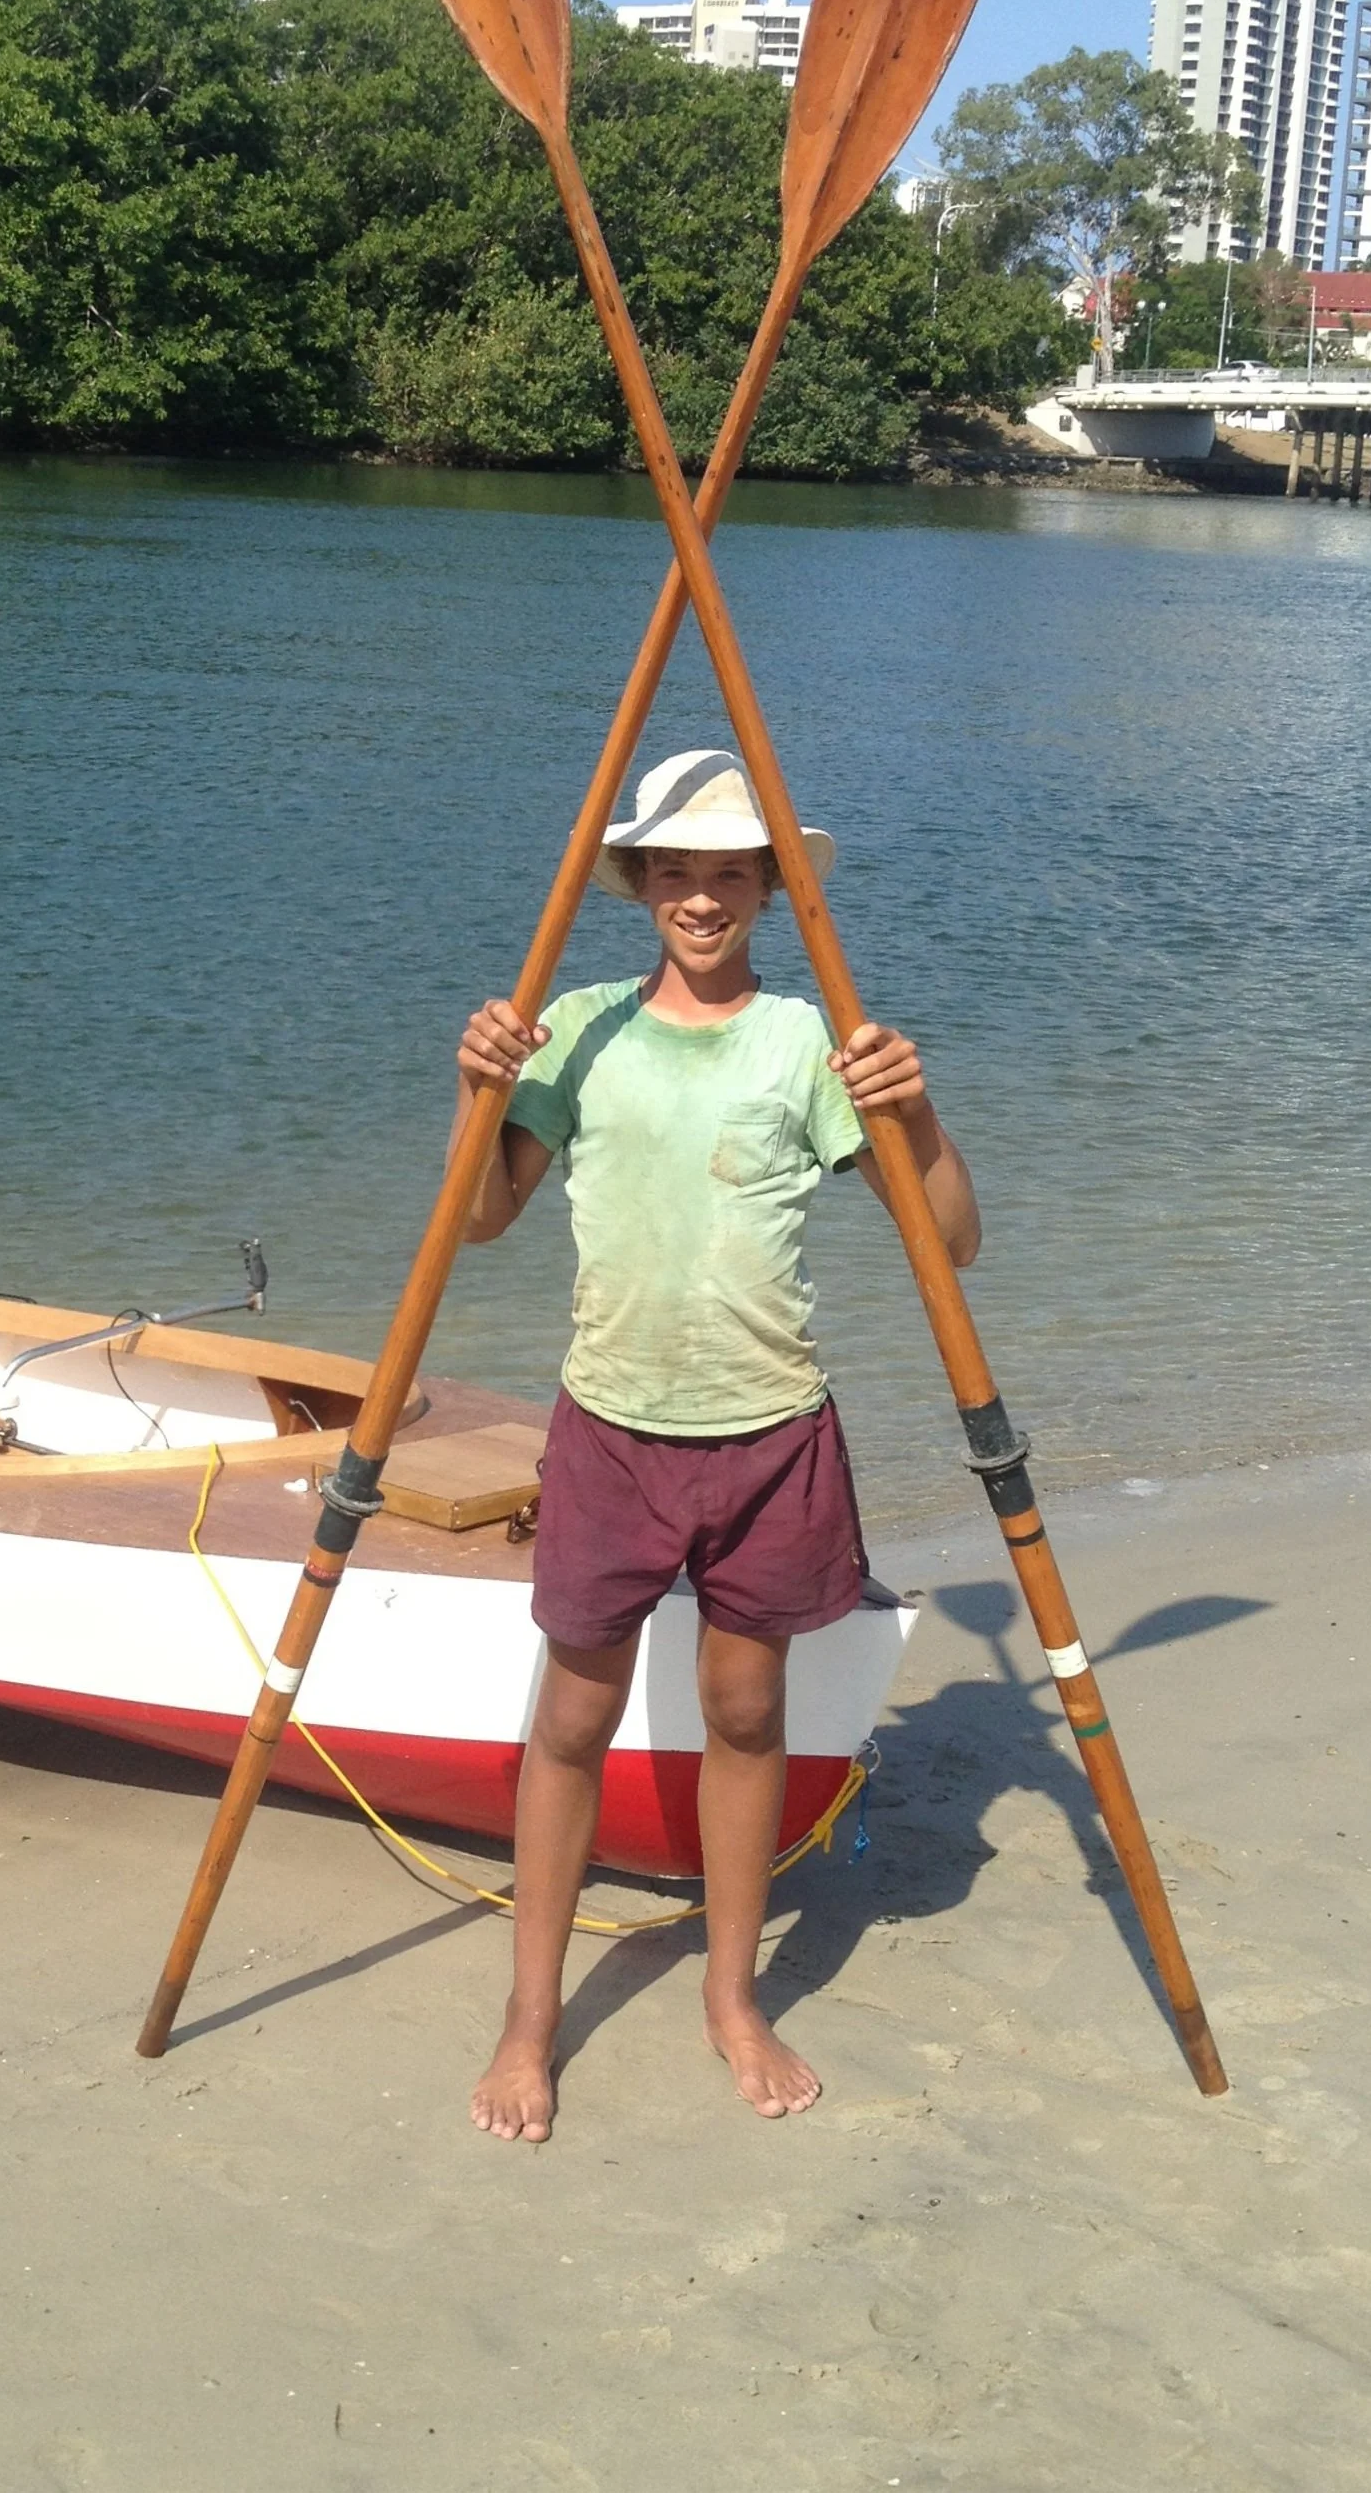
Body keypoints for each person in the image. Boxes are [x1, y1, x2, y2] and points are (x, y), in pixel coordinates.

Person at [454, 748, 979, 2143]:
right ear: (636, 882)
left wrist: (913, 1106)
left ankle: (732, 1998)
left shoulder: (809, 1042)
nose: (701, 896)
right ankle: (528, 2016)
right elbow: (477, 1220)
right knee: (571, 1719)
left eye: (732, 872)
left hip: (769, 1432)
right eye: (676, 871)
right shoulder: (578, 1029)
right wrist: (477, 1091)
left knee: (746, 1713)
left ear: (769, 889)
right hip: (610, 1430)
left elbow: (950, 1242)